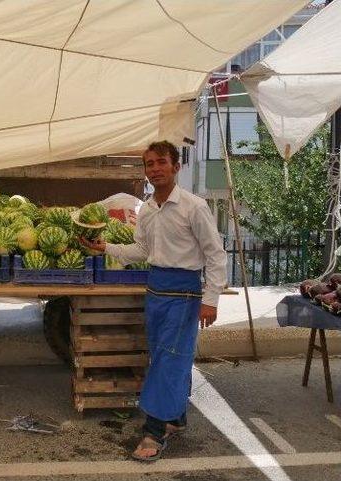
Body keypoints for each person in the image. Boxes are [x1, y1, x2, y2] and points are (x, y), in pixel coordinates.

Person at [79, 140, 227, 462]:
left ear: (176, 167)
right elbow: (142, 252)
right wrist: (106, 249)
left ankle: (154, 431)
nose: (155, 169)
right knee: (166, 356)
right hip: (156, 290)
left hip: (185, 293)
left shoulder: (194, 207)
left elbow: (216, 255)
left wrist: (211, 299)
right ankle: (176, 418)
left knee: (168, 361)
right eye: (149, 164)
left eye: (161, 162)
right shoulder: (145, 209)